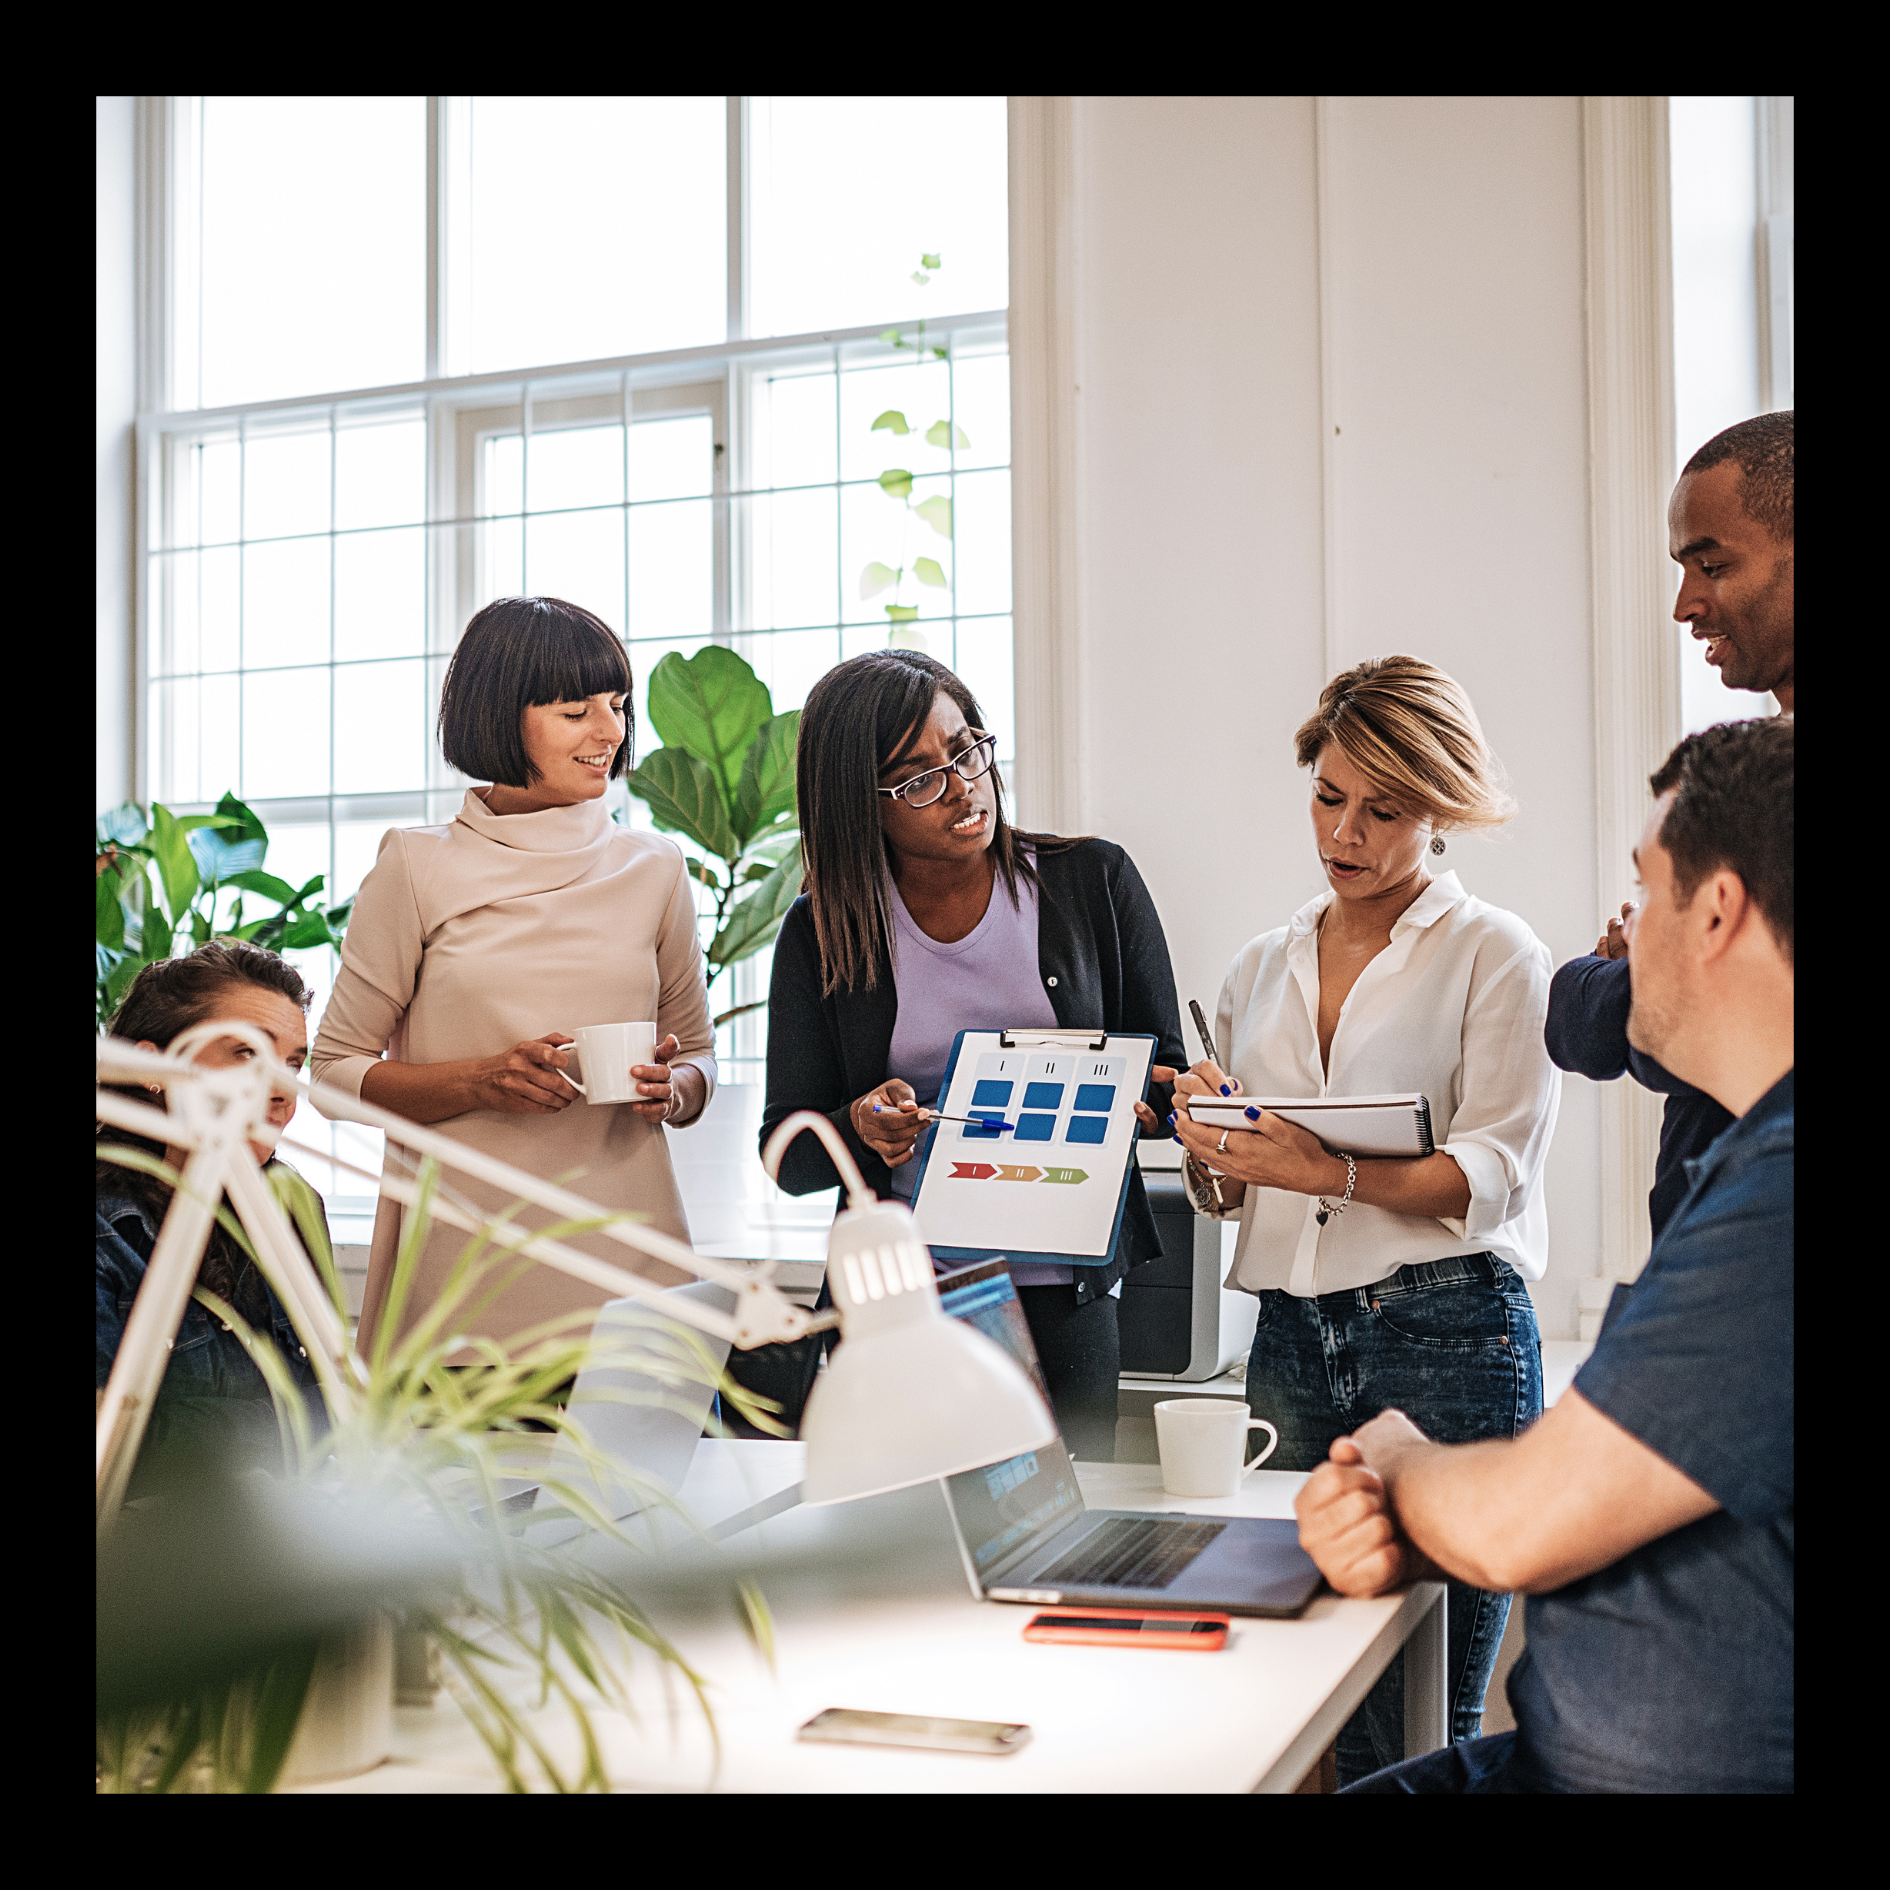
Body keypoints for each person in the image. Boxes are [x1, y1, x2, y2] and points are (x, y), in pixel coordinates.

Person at [1297, 718, 1793, 1794]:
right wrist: (1424, 1516)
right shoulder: (1745, 1164)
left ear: (1715, 913)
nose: (1621, 933)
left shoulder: (1780, 1203)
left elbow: (1524, 1521)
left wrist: (1393, 1467)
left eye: (1644, 892)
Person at [1166, 656, 1558, 1786]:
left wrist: (1323, 1168)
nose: (1349, 832)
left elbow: (1490, 1175)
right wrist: (1212, 1151)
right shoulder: (1261, 965)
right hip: (1287, 1343)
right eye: (1330, 797)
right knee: (1300, 1695)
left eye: (1385, 810)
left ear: (1441, 810)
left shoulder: (1498, 954)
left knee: (1428, 1709)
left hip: (1447, 1332)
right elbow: (1236, 1191)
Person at [762, 650, 1185, 1458]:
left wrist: (1157, 1100)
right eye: (918, 779)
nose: (963, 788)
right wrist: (859, 1126)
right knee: (905, 1549)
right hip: (904, 1302)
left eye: (968, 751)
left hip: (1068, 1291)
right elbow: (789, 1157)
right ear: (862, 805)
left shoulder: (1093, 882)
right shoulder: (821, 933)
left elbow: (1165, 1081)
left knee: (1068, 1543)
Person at [310, 597, 716, 1353]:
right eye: (575, 712)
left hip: (636, 1276)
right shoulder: (415, 864)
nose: (611, 732)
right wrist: (478, 1082)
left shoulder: (655, 866)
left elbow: (695, 1053)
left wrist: (677, 1089)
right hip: (466, 1286)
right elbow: (331, 1072)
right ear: (499, 715)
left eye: (618, 706)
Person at [1546, 411, 1793, 1238]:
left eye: (1712, 564)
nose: (1686, 604)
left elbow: (1650, 1025)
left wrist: (1623, 974)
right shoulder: (1738, 769)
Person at [97, 942, 328, 1468]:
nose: (281, 1092)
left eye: (294, 1063)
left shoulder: (290, 1206)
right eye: (247, 1052)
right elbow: (111, 1451)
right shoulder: (106, 1229)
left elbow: (330, 1412)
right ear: (151, 1069)